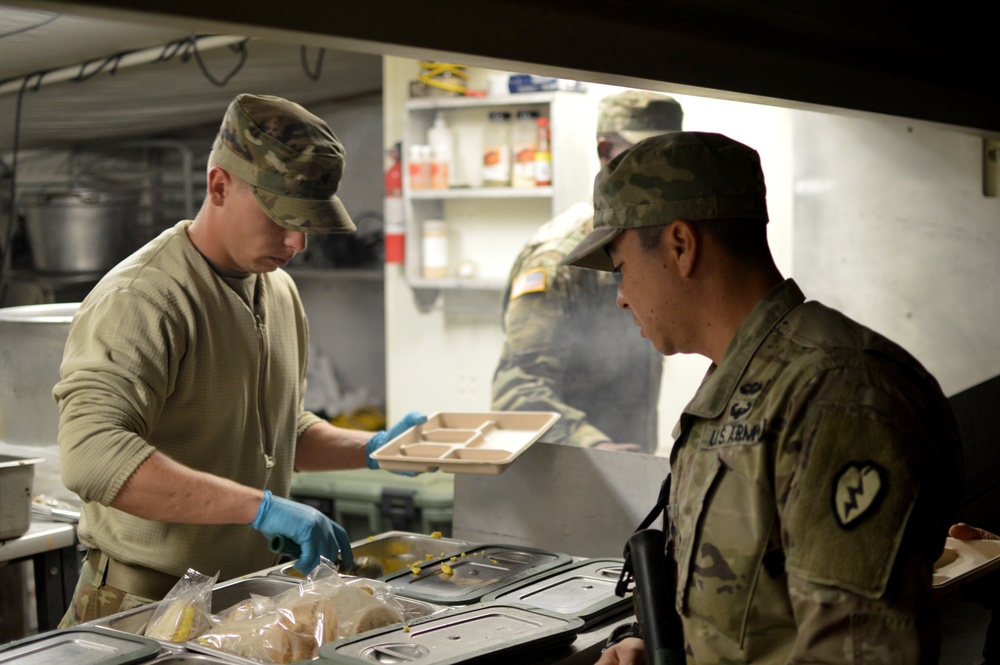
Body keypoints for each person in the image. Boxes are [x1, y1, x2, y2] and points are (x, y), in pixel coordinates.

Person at [559, 131, 965, 663]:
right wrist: (655, 643)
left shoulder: (837, 395)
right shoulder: (740, 386)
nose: (621, 296)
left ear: (681, 246)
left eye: (621, 267)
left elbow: (858, 653)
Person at [53, 93, 425, 626]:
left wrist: (372, 449)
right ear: (219, 186)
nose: (296, 241)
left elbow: (276, 431)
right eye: (281, 217)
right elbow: (93, 456)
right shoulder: (145, 297)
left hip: (239, 599)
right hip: (141, 606)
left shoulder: (277, 291)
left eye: (308, 222)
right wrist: (262, 508)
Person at [491, 90, 683, 452]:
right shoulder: (558, 258)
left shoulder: (659, 244)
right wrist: (595, 447)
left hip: (628, 464)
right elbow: (517, 393)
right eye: (641, 156)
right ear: (604, 150)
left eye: (669, 158)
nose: (661, 177)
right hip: (568, 471)